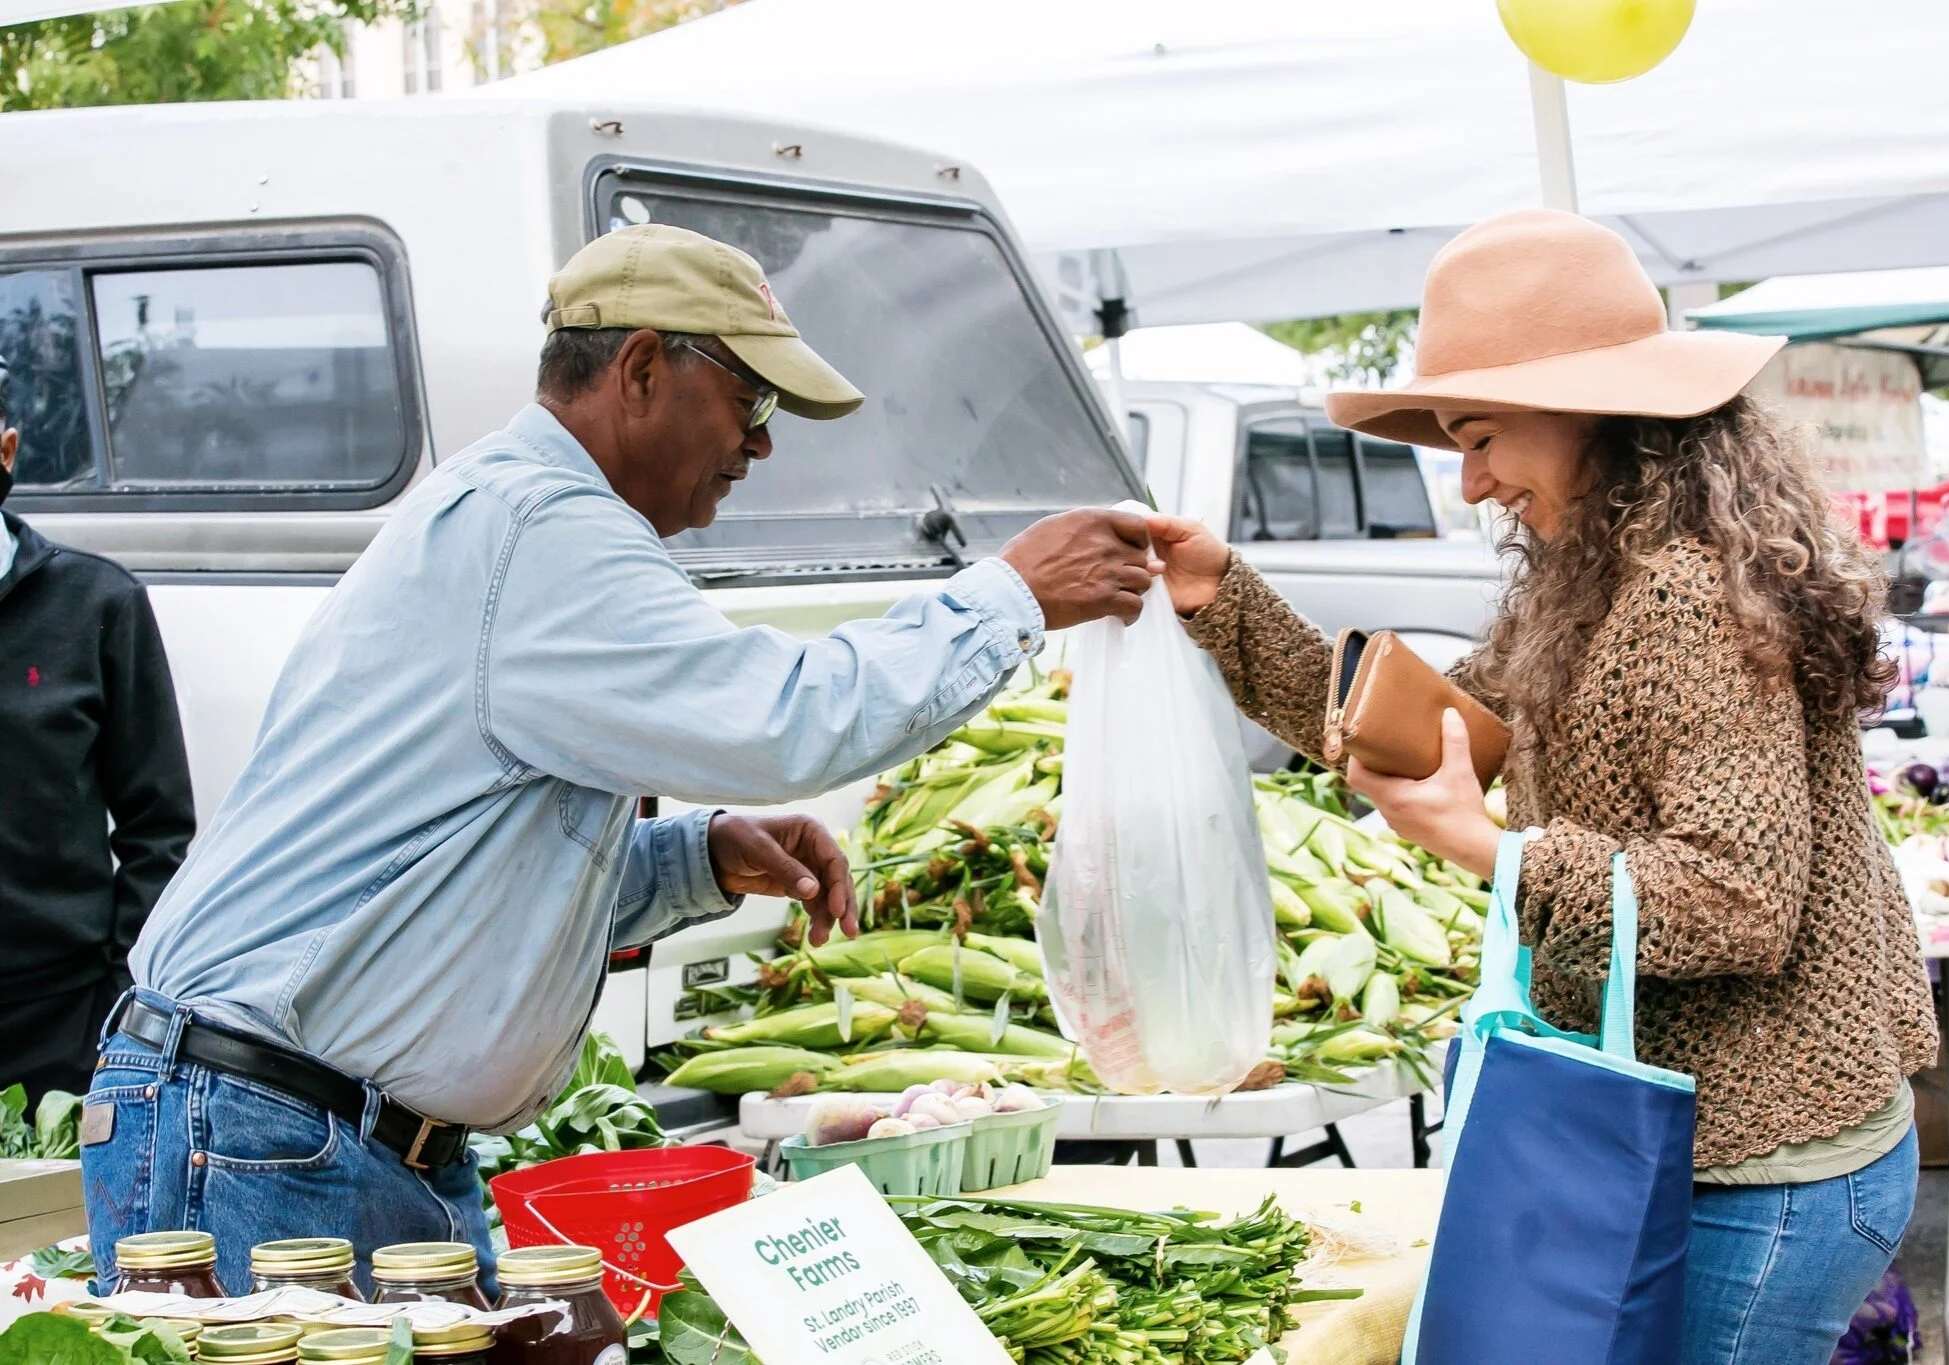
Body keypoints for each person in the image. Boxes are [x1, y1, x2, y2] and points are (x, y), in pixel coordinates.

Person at [81, 225, 1158, 1295]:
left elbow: (457, 878)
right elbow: (789, 721)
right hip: (266, 1133)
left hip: (316, 1133)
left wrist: (693, 860)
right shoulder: (538, 531)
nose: (762, 445)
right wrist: (1009, 595)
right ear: (643, 368)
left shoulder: (518, 521)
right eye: (752, 404)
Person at [1146, 210, 1937, 1365]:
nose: (1469, 484)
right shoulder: (1586, 585)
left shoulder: (1686, 597)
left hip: (1767, 1169)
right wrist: (1223, 597)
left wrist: (1487, 847)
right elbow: (1428, 731)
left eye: (1480, 439)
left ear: (1592, 414)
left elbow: (1734, 900)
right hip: (1692, 1144)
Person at [0, 354, 195, 1107]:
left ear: (7, 451)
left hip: (65, 1024)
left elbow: (159, 827)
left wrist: (118, 1000)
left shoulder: (96, 603)